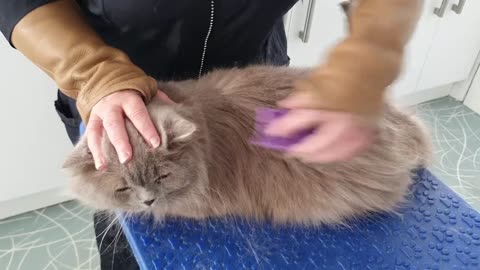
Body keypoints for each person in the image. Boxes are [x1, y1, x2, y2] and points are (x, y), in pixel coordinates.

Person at [0, 0, 422, 269]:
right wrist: (94, 73)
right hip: (112, 97)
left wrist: (367, 59)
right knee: (130, 230)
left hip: (251, 85)